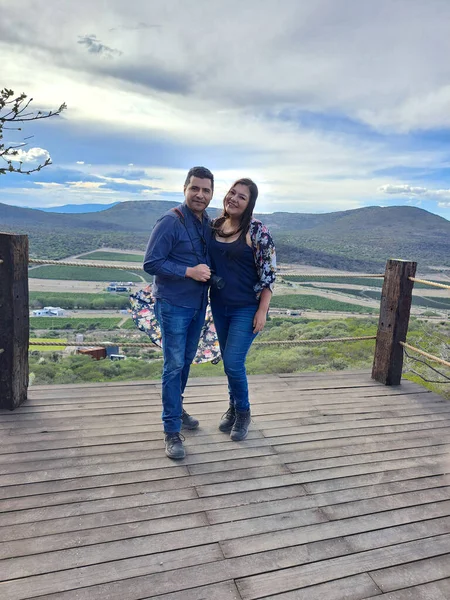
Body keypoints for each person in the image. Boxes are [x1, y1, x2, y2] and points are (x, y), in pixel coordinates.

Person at [143, 166, 214, 459]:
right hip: (173, 305)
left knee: (184, 362)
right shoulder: (170, 221)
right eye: (195, 188)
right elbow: (151, 263)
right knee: (173, 366)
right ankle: (171, 430)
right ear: (185, 189)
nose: (200, 194)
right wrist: (188, 271)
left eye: (206, 190)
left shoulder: (205, 222)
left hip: (197, 305)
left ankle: (177, 408)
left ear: (211, 193)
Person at [209, 178, 276, 441]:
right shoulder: (215, 226)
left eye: (242, 197)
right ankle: (233, 407)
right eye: (232, 193)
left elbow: (269, 275)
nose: (234, 199)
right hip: (219, 305)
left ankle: (244, 412)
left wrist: (262, 311)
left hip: (247, 307)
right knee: (229, 362)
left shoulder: (258, 231)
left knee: (234, 362)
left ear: (250, 204)